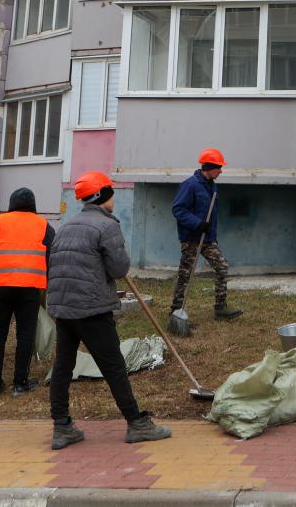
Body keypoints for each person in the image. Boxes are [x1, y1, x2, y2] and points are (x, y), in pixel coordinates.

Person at [47, 170, 170, 449]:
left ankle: (61, 427)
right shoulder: (106, 226)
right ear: (102, 195)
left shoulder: (67, 226)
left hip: (63, 308)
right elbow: (118, 268)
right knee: (114, 366)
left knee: (63, 367)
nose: (114, 196)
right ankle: (137, 423)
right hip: (91, 309)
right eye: (111, 191)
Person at [0, 187, 55, 399]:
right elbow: (52, 256)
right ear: (33, 205)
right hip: (29, 288)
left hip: (1, 286)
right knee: (25, 334)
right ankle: (20, 383)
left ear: (11, 204)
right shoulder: (43, 226)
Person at [170, 148, 241, 322]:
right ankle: (176, 311)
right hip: (191, 238)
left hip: (208, 239)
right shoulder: (190, 185)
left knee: (222, 267)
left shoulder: (212, 186)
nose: (221, 171)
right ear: (209, 167)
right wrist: (197, 223)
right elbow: (178, 210)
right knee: (185, 275)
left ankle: (220, 308)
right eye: (219, 167)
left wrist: (210, 232)